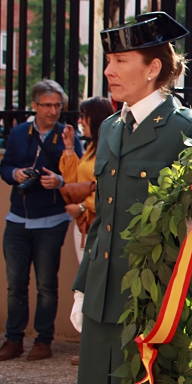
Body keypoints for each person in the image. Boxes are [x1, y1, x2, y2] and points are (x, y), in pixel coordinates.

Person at [70, 12, 192, 384]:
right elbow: (103, 219)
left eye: (120, 60)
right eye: (108, 60)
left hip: (157, 300)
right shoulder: (109, 129)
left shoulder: (183, 128)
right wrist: (83, 288)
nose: (109, 70)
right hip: (108, 297)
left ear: (152, 67)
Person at [0, 79, 83, 362]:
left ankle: (43, 341)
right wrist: (16, 174)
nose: (53, 111)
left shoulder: (68, 135)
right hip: (17, 219)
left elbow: (79, 176)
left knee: (46, 284)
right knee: (15, 284)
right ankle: (13, 339)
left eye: (58, 105)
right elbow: (4, 167)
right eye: (47, 105)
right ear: (34, 106)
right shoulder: (20, 133)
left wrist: (58, 181)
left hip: (52, 219)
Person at [60, 97, 115, 263]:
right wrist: (69, 147)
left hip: (99, 221)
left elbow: (110, 186)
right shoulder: (92, 147)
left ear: (96, 117)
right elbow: (74, 182)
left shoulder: (110, 147)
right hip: (84, 222)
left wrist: (84, 205)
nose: (79, 121)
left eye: (84, 116)